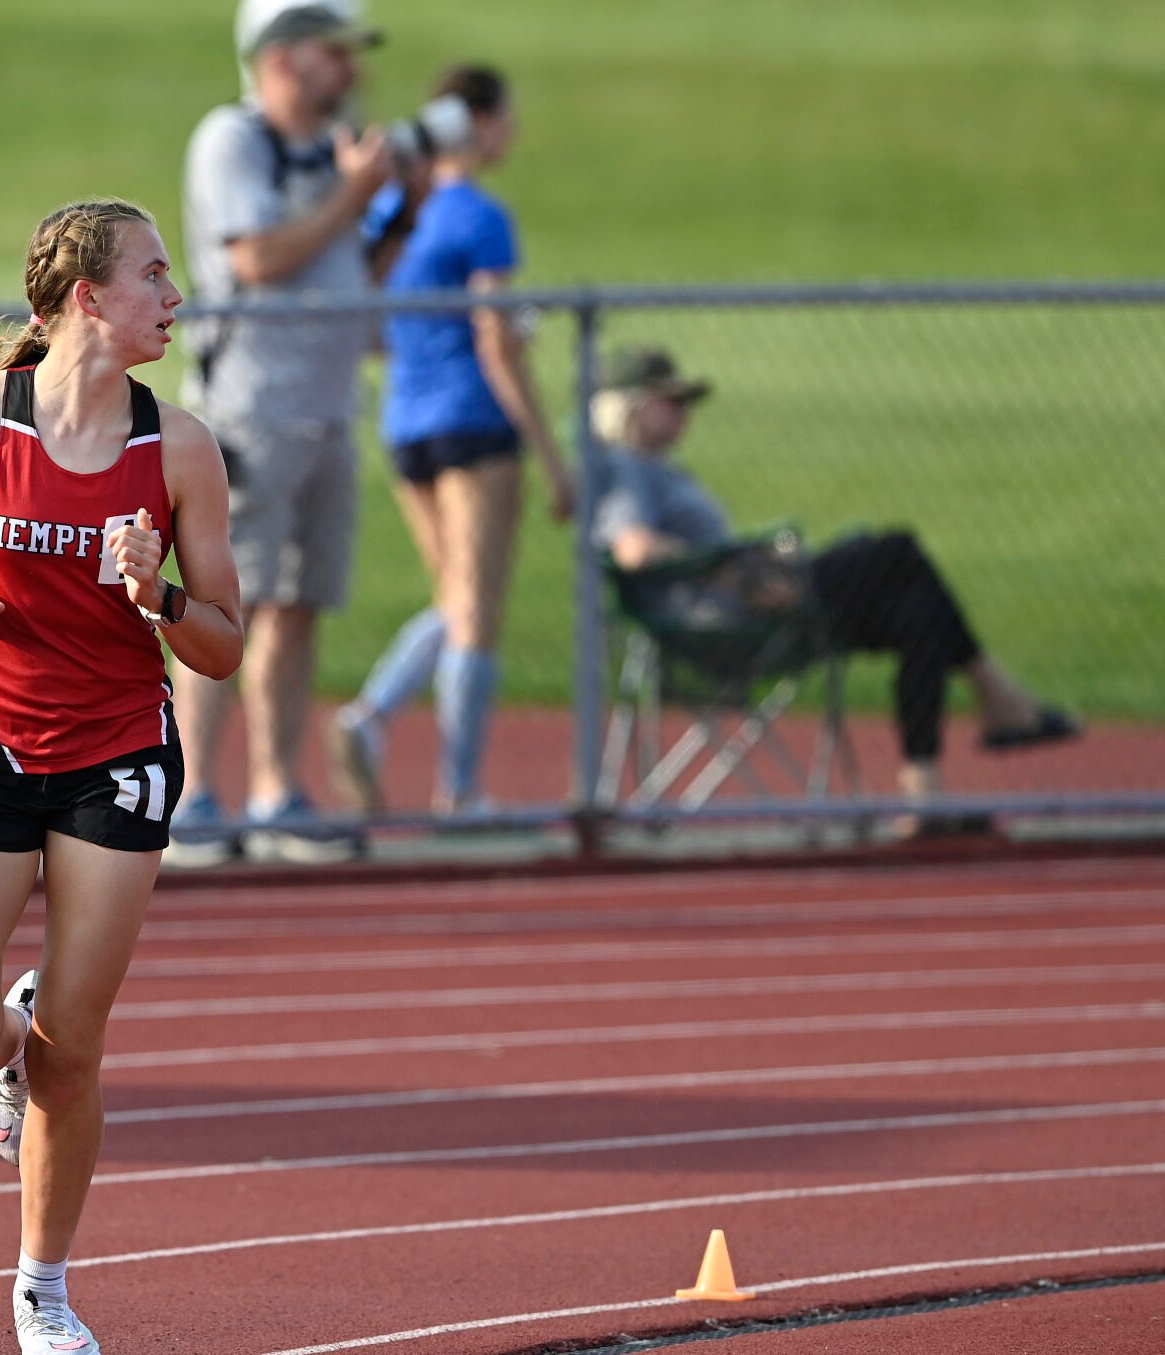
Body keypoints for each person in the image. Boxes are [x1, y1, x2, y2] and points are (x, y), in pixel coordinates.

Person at [0, 199, 242, 1354]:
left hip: (118, 750)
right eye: (154, 275)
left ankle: (42, 1288)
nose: (174, 297)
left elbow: (226, 639)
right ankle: (13, 1022)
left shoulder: (176, 446)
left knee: (73, 1053)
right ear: (88, 295)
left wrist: (163, 594)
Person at [589, 347, 1080, 826]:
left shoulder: (656, 469)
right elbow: (634, 550)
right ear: (628, 408)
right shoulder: (623, 468)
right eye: (670, 402)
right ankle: (992, 707)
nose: (684, 413)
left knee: (918, 609)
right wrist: (742, 575)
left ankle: (929, 783)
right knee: (897, 553)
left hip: (747, 604)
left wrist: (765, 557)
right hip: (727, 621)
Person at [173, 1, 394, 865]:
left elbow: (346, 270)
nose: (352, 71)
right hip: (252, 411)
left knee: (300, 604)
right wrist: (356, 193)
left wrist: (391, 211)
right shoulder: (233, 140)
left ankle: (275, 792)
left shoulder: (330, 153)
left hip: (329, 407)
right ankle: (192, 795)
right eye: (336, 54)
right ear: (288, 58)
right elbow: (258, 256)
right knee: (226, 600)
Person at [328, 64, 575, 818]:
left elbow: (370, 325)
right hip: (473, 424)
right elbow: (495, 336)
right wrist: (548, 448)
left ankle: (374, 722)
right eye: (506, 118)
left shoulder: (395, 210)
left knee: (453, 596)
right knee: (477, 608)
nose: (514, 133)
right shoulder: (479, 215)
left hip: (406, 422)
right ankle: (449, 780)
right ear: (478, 121)